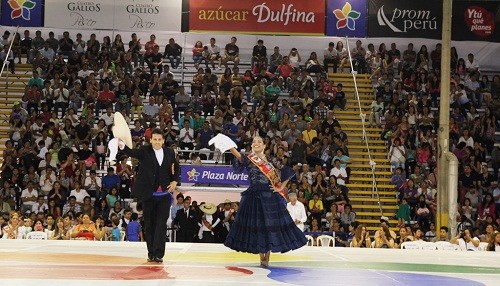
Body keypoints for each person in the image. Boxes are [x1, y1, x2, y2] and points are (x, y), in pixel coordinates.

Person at [222, 135, 307, 267]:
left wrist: (281, 187)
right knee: (258, 226)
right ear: (251, 146)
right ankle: (261, 254)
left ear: (264, 145)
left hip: (269, 195)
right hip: (253, 195)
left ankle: (267, 254)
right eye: (254, 141)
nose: (256, 143)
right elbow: (238, 155)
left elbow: (288, 171)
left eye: (259, 141)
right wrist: (229, 145)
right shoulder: (249, 159)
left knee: (269, 226)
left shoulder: (271, 159)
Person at [119, 128, 179, 263]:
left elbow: (176, 167)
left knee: (161, 225)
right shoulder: (145, 151)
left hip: (164, 195)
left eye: (159, 139)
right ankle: (151, 253)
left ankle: (159, 254)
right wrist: (122, 146)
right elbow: (131, 152)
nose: (157, 142)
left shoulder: (170, 152)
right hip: (148, 195)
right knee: (149, 225)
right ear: (150, 140)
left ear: (163, 140)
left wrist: (175, 180)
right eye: (155, 139)